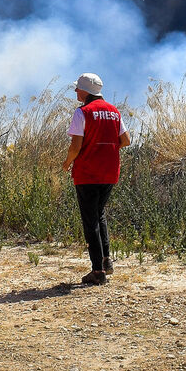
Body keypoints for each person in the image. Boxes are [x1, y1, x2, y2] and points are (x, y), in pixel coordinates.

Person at [62, 73, 131, 286]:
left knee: (90, 220)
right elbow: (126, 141)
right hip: (110, 172)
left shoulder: (82, 112)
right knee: (99, 214)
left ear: (86, 92)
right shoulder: (114, 111)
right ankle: (106, 260)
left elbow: (76, 146)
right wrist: (106, 151)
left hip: (88, 173)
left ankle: (98, 271)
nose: (75, 92)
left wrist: (67, 163)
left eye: (78, 89)